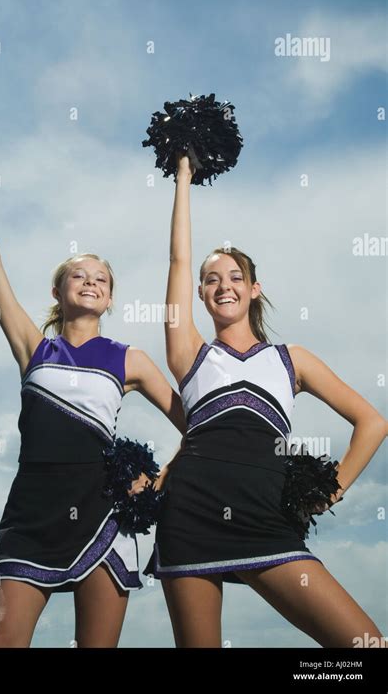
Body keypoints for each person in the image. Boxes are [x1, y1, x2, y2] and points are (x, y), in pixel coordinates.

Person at [144, 155, 387, 648]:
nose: (223, 286)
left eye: (234, 276)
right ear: (200, 294)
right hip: (190, 517)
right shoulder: (189, 353)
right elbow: (178, 260)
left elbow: (372, 421)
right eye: (212, 279)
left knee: (365, 645)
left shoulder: (291, 359)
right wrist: (184, 175)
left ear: (254, 290)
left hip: (267, 519)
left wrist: (330, 491)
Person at [0, 175, 186, 648]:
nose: (91, 282)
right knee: (0, 642)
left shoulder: (128, 358)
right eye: (79, 275)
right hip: (30, 516)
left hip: (103, 513)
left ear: (111, 298)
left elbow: (195, 425)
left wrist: (156, 484)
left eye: (101, 279)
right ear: (57, 291)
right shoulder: (33, 347)